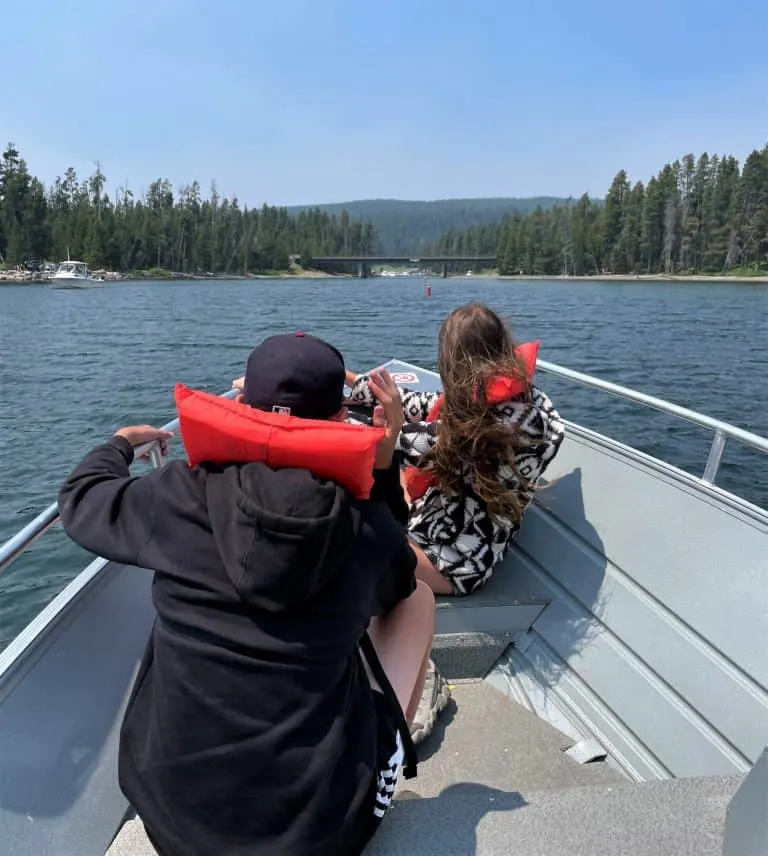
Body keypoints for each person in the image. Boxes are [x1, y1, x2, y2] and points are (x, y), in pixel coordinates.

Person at [58, 332, 435, 856]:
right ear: (339, 419)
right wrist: (384, 456)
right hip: (318, 835)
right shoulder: (364, 527)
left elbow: (81, 500)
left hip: (172, 820)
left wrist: (122, 441)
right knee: (417, 600)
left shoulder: (174, 495)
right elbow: (395, 584)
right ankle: (388, 743)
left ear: (242, 408)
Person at [346, 302, 565, 598]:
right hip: (439, 518)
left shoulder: (488, 432)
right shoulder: (524, 402)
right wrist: (351, 380)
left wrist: (337, 426)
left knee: (343, 536)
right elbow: (421, 402)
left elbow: (396, 445)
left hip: (454, 561)